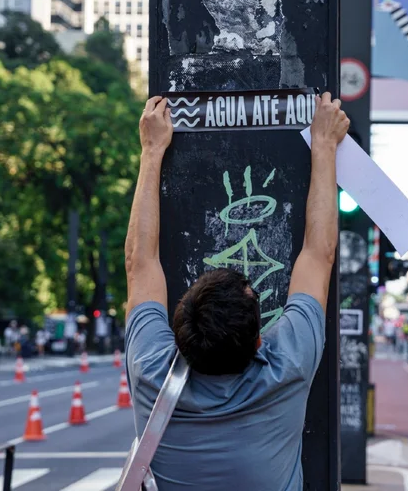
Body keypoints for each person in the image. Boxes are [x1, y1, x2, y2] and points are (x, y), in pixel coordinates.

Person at [124, 93, 349, 490]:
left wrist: (153, 151)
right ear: (261, 339)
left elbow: (140, 261)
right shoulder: (289, 365)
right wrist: (325, 145)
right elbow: (319, 254)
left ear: (179, 333)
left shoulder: (151, 371)